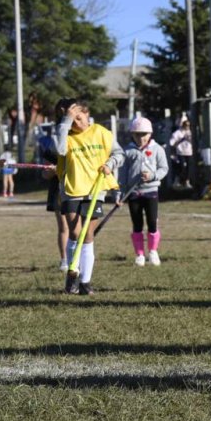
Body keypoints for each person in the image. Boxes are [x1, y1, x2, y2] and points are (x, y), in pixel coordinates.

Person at [55, 98, 124, 295]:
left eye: (78, 118)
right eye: (71, 120)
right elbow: (59, 149)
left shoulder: (102, 133)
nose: (76, 123)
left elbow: (119, 154)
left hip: (96, 189)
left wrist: (110, 164)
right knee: (75, 232)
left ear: (87, 113)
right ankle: (72, 273)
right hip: (72, 189)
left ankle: (85, 282)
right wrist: (65, 122)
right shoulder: (65, 134)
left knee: (88, 234)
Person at [119, 117, 169, 267]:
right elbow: (122, 174)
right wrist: (120, 193)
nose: (141, 138)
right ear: (132, 135)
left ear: (150, 134)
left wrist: (153, 176)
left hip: (151, 191)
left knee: (152, 222)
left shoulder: (157, 149)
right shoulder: (127, 151)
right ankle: (139, 254)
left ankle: (153, 251)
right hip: (133, 193)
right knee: (137, 224)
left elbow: (164, 168)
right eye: (137, 134)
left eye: (144, 134)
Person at [38, 125, 69, 271]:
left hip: (79, 189)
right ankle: (64, 260)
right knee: (64, 227)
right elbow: (44, 174)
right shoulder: (54, 145)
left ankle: (79, 258)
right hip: (59, 191)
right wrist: (53, 171)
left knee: (79, 227)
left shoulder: (81, 141)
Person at [169, 117, 193, 189]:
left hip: (189, 152)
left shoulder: (190, 132)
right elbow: (171, 143)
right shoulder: (178, 133)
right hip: (180, 152)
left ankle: (187, 182)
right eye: (186, 125)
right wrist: (180, 140)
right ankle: (178, 181)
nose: (187, 127)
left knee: (188, 168)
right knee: (182, 167)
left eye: (188, 125)